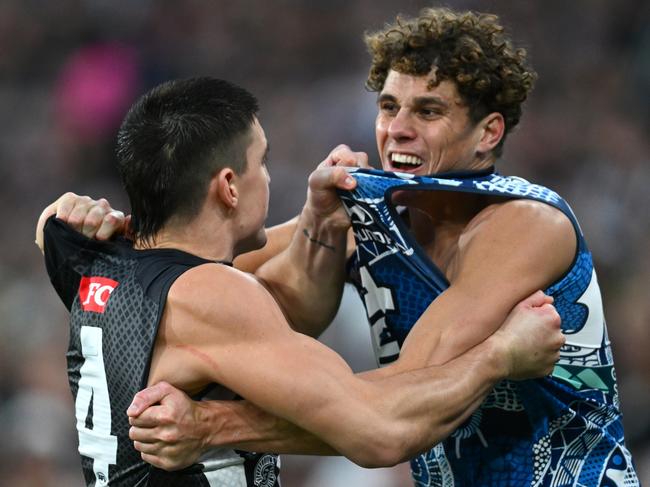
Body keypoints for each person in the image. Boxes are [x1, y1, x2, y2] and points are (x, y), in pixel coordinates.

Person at [37, 76, 564, 486]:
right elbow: (381, 433)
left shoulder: (86, 259)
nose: (267, 176)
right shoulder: (210, 294)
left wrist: (319, 219)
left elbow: (48, 228)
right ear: (228, 187)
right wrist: (501, 354)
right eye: (260, 162)